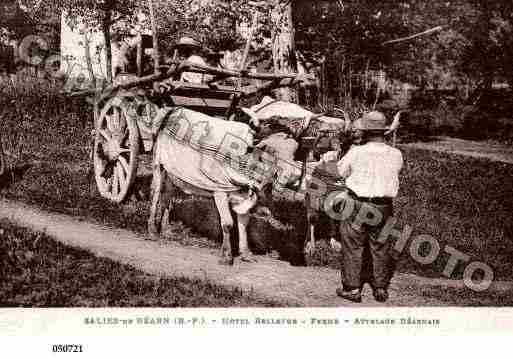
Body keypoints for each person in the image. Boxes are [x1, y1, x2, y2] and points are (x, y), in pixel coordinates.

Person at [334, 111, 403, 303]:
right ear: (384, 131)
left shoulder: (356, 151)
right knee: (381, 245)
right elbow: (396, 171)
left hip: (357, 203)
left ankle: (352, 288)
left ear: (365, 130)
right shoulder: (396, 153)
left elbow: (340, 171)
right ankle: (380, 287)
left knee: (352, 245)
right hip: (384, 206)